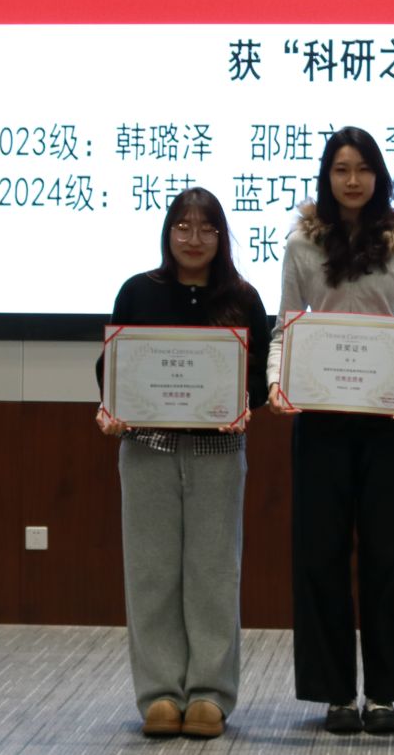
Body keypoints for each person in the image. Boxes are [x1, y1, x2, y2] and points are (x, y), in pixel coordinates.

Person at [266, 126, 394, 735]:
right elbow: (286, 328)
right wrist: (278, 382)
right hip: (321, 417)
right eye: (341, 169)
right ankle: (335, 693)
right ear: (327, 176)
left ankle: (384, 693)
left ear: (378, 175)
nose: (353, 180)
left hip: (388, 418)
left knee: (392, 555)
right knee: (321, 555)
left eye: (363, 168)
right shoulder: (302, 243)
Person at [94, 188, 271, 741]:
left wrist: (242, 403)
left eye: (207, 229)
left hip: (217, 452)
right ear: (168, 233)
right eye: (183, 227)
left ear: (221, 237)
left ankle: (210, 694)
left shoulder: (242, 297)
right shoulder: (138, 291)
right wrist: (111, 408)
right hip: (147, 449)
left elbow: (259, 377)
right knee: (151, 573)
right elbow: (112, 367)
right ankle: (161, 694)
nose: (194, 239)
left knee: (213, 574)